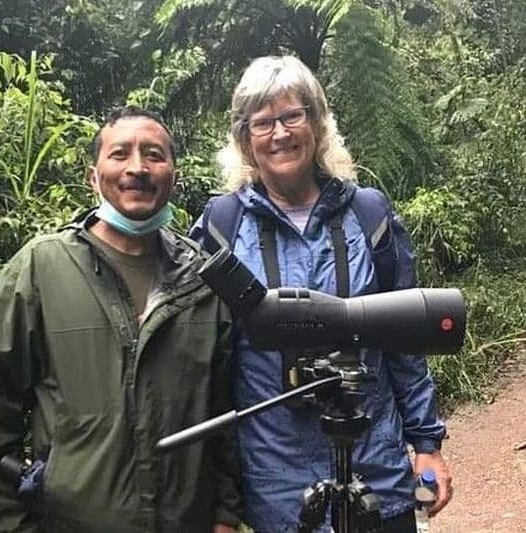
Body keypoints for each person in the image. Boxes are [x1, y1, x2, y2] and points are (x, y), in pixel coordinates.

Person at [190, 56, 452, 532]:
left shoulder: (367, 214)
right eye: (263, 122)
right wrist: (219, 497)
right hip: (278, 482)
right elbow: (205, 363)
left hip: (376, 466)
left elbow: (405, 343)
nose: (280, 133)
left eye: (293, 115)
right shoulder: (222, 227)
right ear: (244, 139)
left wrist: (427, 445)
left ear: (316, 122)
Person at [0, 106, 241, 533]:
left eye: (153, 154)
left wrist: (225, 514)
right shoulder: (41, 269)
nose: (137, 167)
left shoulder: (203, 281)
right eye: (120, 154)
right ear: (93, 176)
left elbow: (224, 413)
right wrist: (9, 523)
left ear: (174, 175)